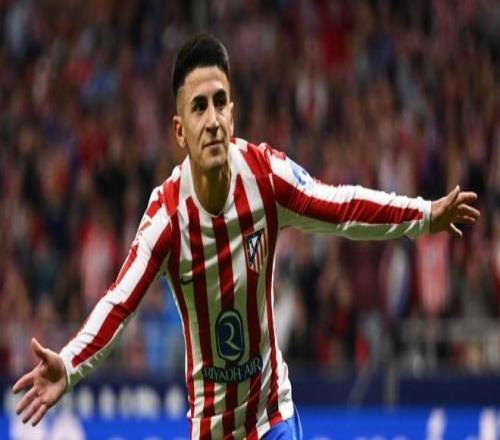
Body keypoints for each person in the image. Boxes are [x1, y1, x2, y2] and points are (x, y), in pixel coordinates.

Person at [13, 33, 480, 439]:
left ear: (233, 114)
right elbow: (119, 303)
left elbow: (343, 206)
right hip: (211, 427)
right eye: (199, 107)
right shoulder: (167, 218)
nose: (212, 119)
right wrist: (69, 364)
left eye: (220, 102)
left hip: (272, 416)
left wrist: (424, 214)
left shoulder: (266, 178)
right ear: (180, 130)